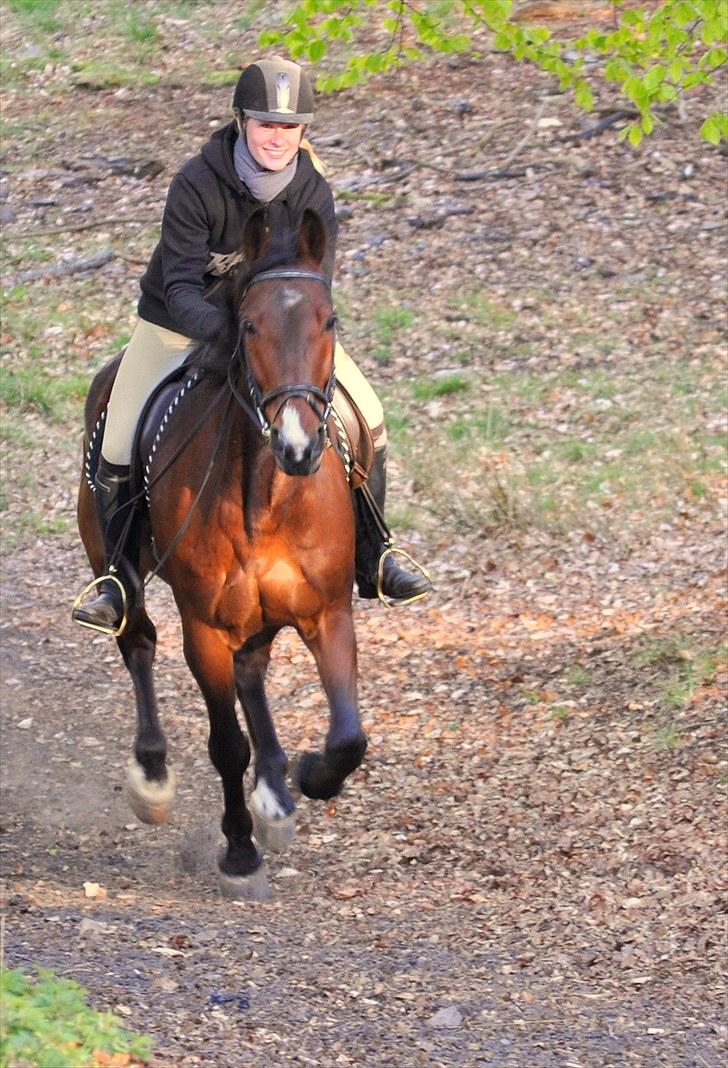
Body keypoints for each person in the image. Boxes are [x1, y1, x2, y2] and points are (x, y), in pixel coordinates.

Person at [72, 56, 431, 634]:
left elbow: (316, 284)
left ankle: (377, 554)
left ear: (303, 132)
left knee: (371, 415)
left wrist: (278, 339)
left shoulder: (313, 191)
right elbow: (181, 285)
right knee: (118, 437)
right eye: (266, 124)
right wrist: (234, 334)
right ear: (241, 121)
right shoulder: (196, 183)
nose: (276, 137)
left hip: (279, 340)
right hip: (178, 325)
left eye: (289, 127)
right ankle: (117, 579)